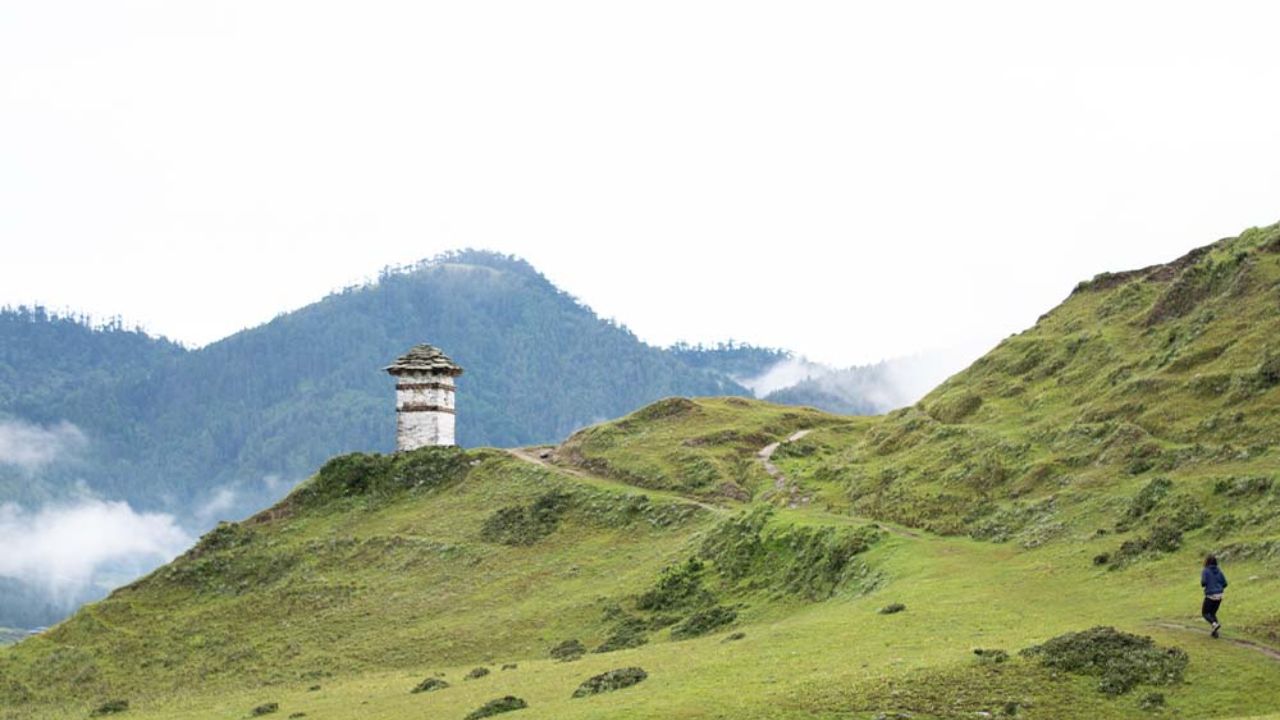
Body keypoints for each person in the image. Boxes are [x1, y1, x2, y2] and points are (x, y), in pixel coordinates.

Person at [1201, 554, 1228, 638]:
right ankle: (1215, 632)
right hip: (1220, 595)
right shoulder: (1219, 571)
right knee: (1212, 613)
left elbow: (1203, 583)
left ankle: (1214, 624)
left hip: (1210, 595)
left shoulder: (1205, 571)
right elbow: (1225, 583)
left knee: (1205, 613)